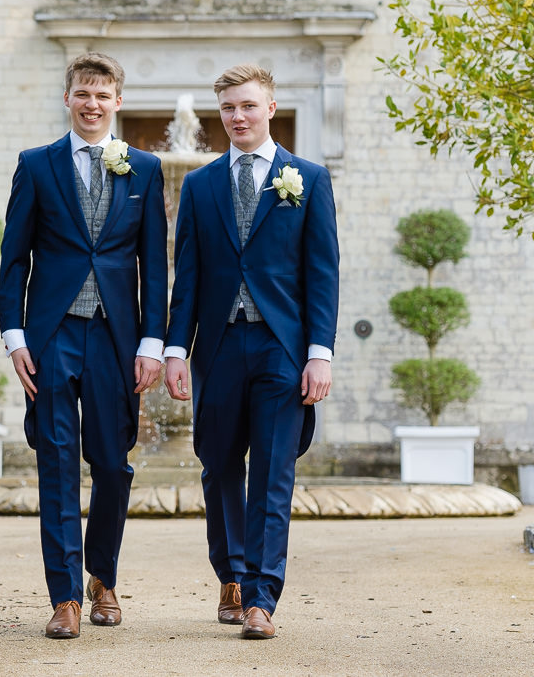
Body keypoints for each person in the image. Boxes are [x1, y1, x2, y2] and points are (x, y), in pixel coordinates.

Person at [163, 63, 339, 640]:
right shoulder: (201, 184)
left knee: (272, 473)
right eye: (228, 109)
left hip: (282, 347)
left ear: (269, 107)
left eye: (247, 106)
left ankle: (262, 595)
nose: (237, 117)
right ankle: (231, 574)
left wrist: (320, 353)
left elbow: (322, 272)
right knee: (218, 465)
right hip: (216, 346)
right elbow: (185, 274)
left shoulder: (307, 179)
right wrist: (173, 350)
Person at [0, 52, 167, 639]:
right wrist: (14, 335)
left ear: (118, 101)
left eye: (102, 95)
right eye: (82, 94)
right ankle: (64, 596)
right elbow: (14, 257)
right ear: (67, 98)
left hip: (118, 339)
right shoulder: (36, 166)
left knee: (113, 466)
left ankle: (103, 576)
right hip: (52, 336)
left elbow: (155, 266)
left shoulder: (143, 168)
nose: (92, 104)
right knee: (57, 464)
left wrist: (152, 340)